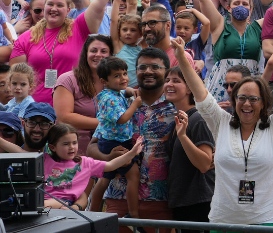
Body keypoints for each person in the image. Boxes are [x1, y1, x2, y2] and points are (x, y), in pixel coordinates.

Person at [170, 33, 273, 226]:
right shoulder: (222, 123)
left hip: (265, 219)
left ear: (263, 102)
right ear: (234, 101)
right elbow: (200, 93)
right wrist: (181, 57)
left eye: (253, 99)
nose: (246, 104)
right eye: (241, 98)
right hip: (223, 220)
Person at [10, 0, 124, 103]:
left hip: (75, 105)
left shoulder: (78, 28)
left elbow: (100, 1)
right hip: (35, 111)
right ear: (43, 9)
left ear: (68, 10)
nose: (54, 9)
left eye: (60, 5)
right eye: (50, 4)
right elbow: (16, 78)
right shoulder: (25, 38)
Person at [91, 48, 181, 229]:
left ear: (166, 71)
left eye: (155, 67)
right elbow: (92, 147)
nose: (148, 71)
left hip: (160, 199)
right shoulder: (118, 102)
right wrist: (108, 158)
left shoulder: (175, 107)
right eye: (142, 67)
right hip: (118, 198)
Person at [42, 123, 142, 211]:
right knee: (41, 204)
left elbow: (111, 165)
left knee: (43, 205)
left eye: (74, 142)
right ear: (52, 147)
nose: (71, 147)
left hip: (66, 203)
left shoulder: (85, 163)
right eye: (66, 144)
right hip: (45, 203)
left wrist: (132, 153)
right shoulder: (45, 160)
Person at [89, 57, 141, 217]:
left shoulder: (112, 93)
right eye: (117, 76)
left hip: (111, 140)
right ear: (104, 81)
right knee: (133, 174)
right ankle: (134, 214)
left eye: (125, 73)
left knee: (105, 177)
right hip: (114, 143)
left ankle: (93, 212)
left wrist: (131, 91)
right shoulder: (109, 99)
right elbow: (122, 118)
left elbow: (124, 91)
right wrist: (135, 103)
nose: (123, 78)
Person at [163, 65, 215, 224]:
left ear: (190, 89)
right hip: (182, 203)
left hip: (198, 204)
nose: (169, 84)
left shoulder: (198, 119)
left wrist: (183, 137)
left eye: (176, 81)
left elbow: (205, 163)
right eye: (167, 80)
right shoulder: (178, 120)